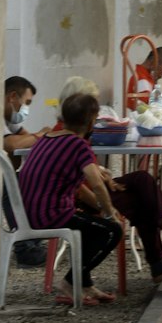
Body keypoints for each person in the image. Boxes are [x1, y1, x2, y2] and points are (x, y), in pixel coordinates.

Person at [59, 75, 162, 284]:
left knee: (142, 179)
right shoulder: (67, 134)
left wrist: (101, 173)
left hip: (96, 186)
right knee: (140, 201)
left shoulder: (77, 131)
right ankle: (159, 256)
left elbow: (85, 165)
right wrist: (106, 207)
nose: (97, 112)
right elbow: (74, 184)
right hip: (85, 198)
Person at [18, 92, 122, 306]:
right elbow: (96, 184)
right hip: (51, 215)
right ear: (92, 121)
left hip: (31, 213)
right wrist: (111, 213)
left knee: (91, 228)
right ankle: (69, 282)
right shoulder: (78, 145)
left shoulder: (47, 139)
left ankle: (84, 283)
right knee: (113, 230)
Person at [2, 76, 54, 266]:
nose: (26, 109)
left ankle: (33, 241)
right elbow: (11, 144)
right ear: (12, 97)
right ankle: (25, 248)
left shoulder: (9, 117)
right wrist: (41, 135)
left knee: (29, 179)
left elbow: (24, 136)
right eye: (27, 103)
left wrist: (39, 136)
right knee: (12, 186)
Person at [125, 46, 162, 111]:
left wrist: (155, 80)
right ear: (153, 61)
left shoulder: (147, 77)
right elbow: (147, 107)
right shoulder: (141, 79)